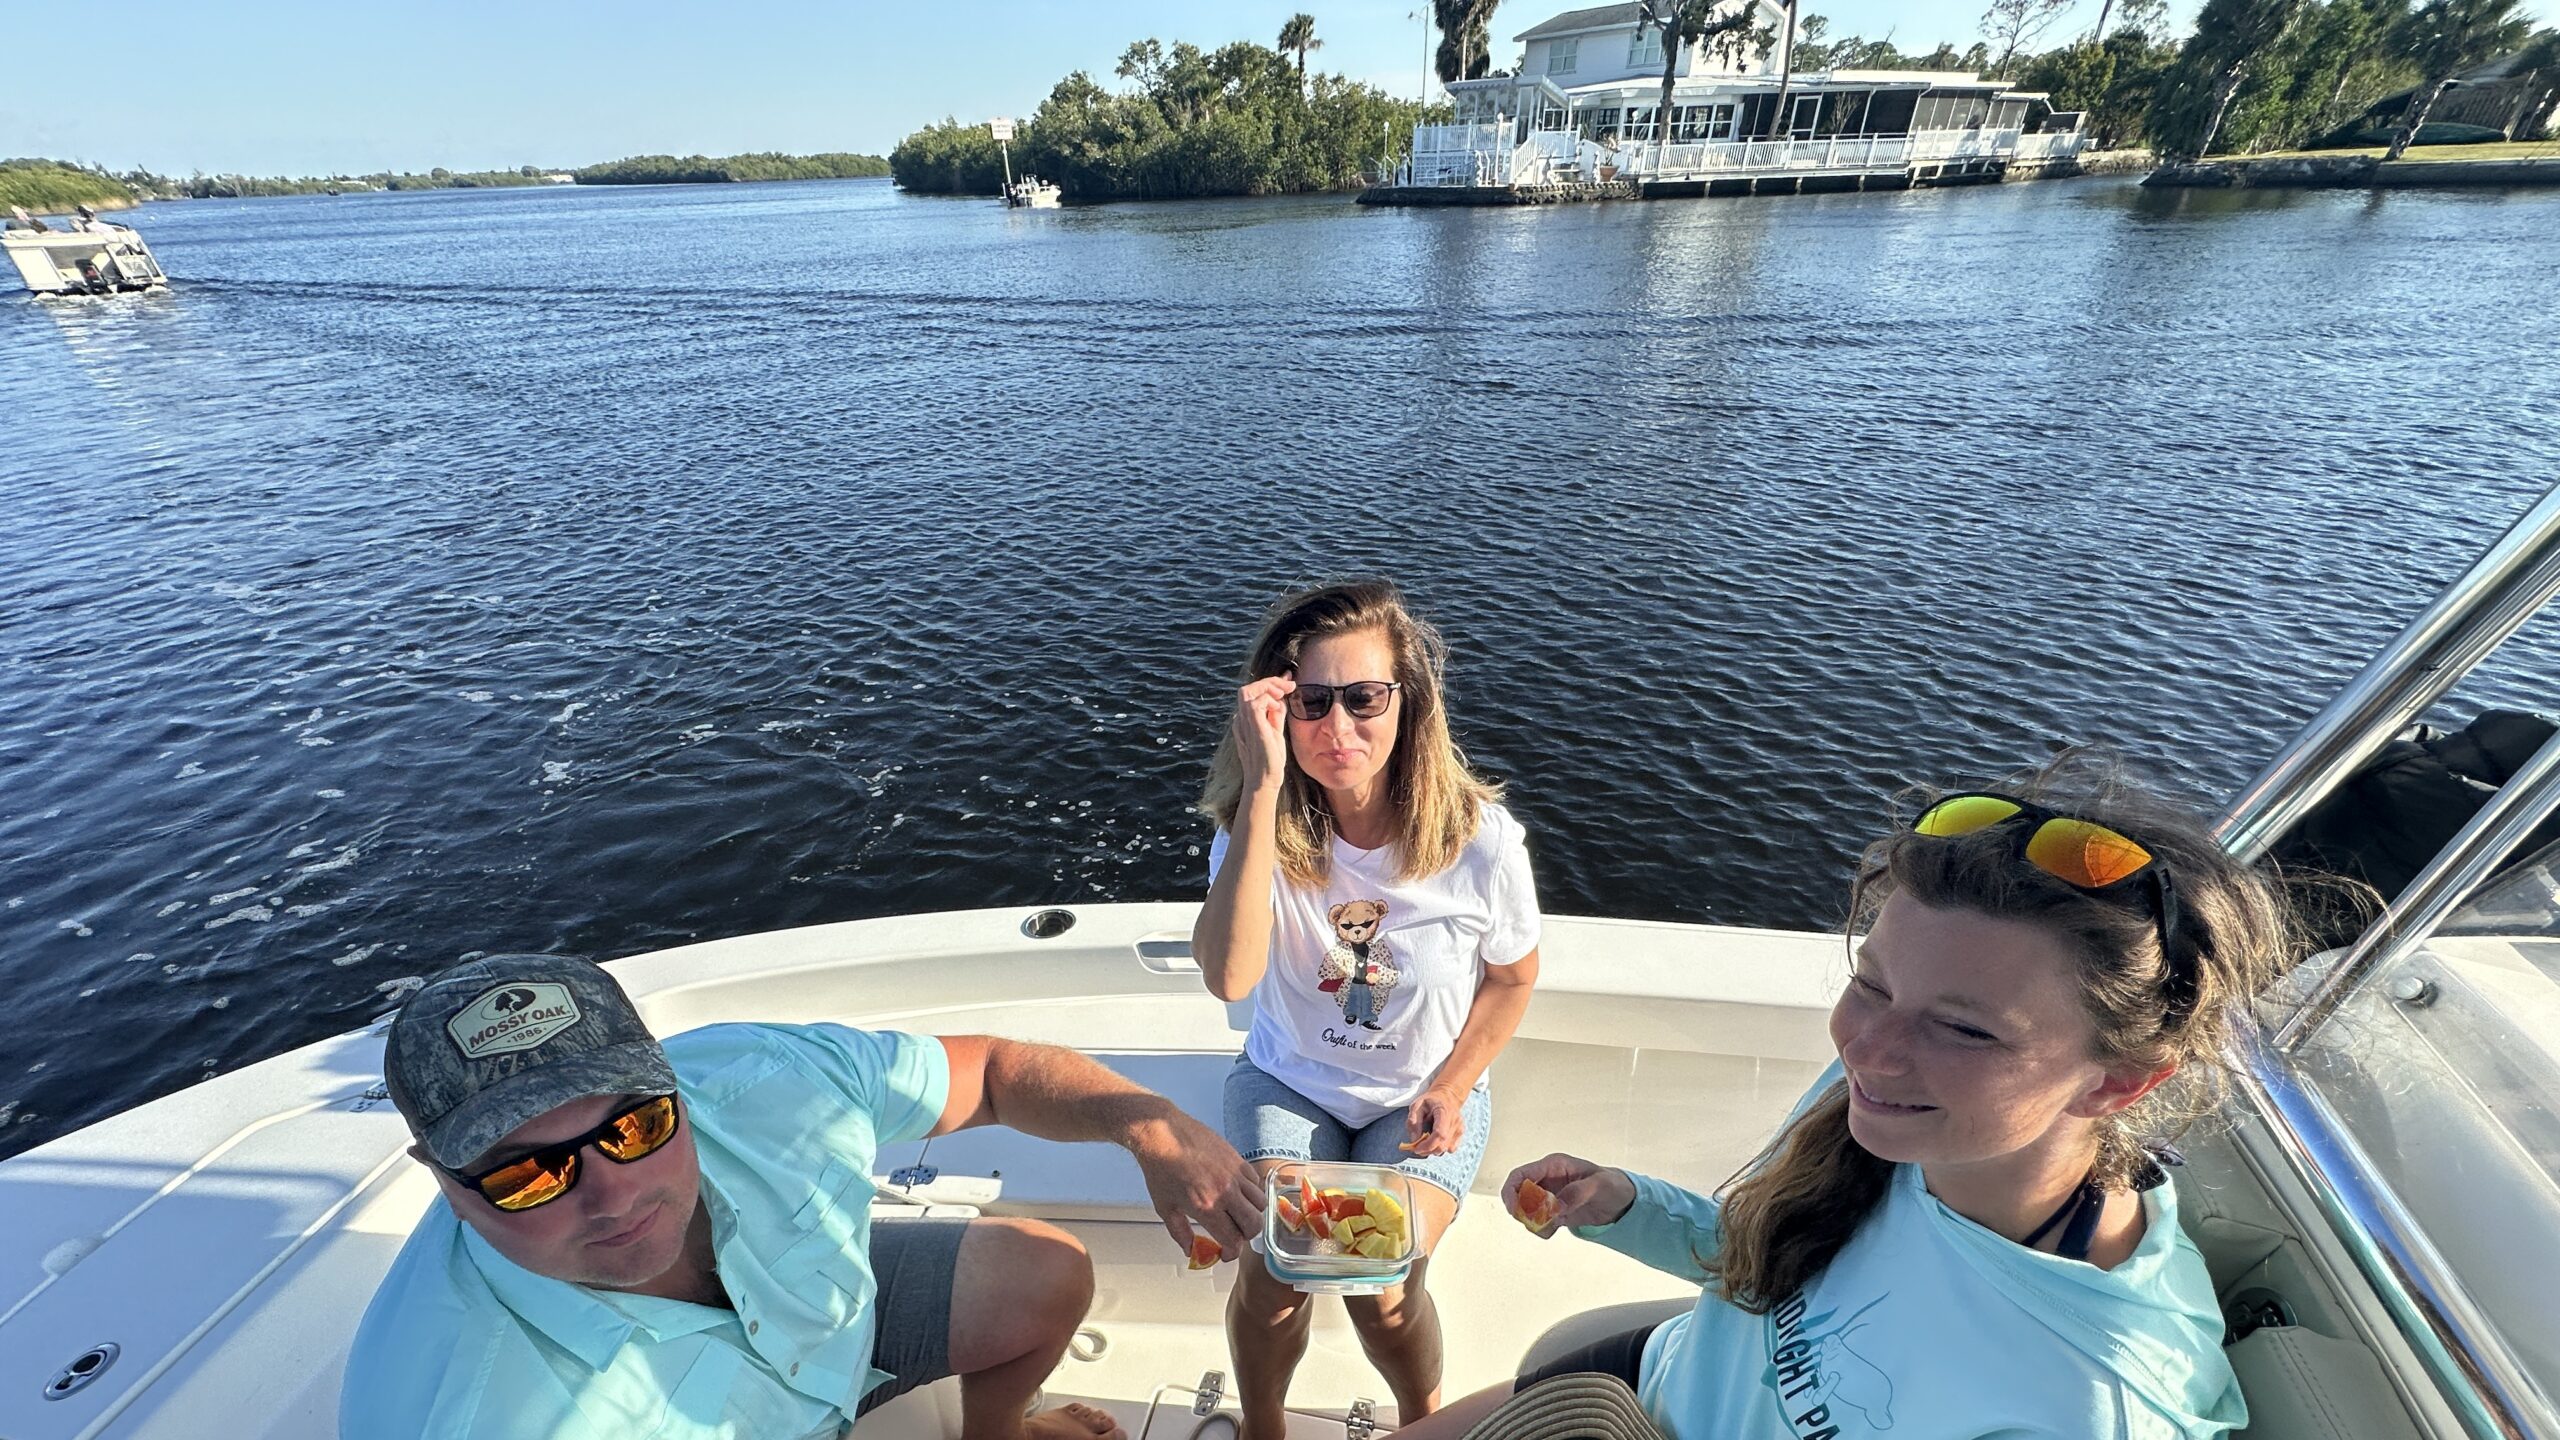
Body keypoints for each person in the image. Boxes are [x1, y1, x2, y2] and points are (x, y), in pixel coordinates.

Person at [1394, 769, 2294, 1440]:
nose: (1867, 1051)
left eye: (1966, 1031)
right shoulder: (1898, 1117)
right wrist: (1632, 1207)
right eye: (1870, 985)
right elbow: (1785, 1266)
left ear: (2122, 1080)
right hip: (1640, 1381)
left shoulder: (2088, 1402)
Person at [343, 953, 1265, 1440]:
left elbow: (991, 1074)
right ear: (444, 1182)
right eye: (525, 1174)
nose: (612, 1196)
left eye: (632, 1128)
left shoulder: (763, 1074)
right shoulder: (458, 1412)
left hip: (831, 1340)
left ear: (672, 1084)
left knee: (1045, 1271)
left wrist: (1152, 1127)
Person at [1193, 580, 1542, 1440]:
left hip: (1420, 1095)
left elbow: (1511, 978)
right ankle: (1264, 1426)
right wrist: (1265, 791)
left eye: (1364, 698)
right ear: (1277, 710)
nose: (1337, 727)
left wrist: (1457, 1086)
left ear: (1407, 703)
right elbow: (1231, 980)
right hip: (1291, 1084)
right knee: (1280, 1266)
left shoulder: (1478, 839)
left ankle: (1422, 1422)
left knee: (1382, 1286)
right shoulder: (1254, 829)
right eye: (1311, 702)